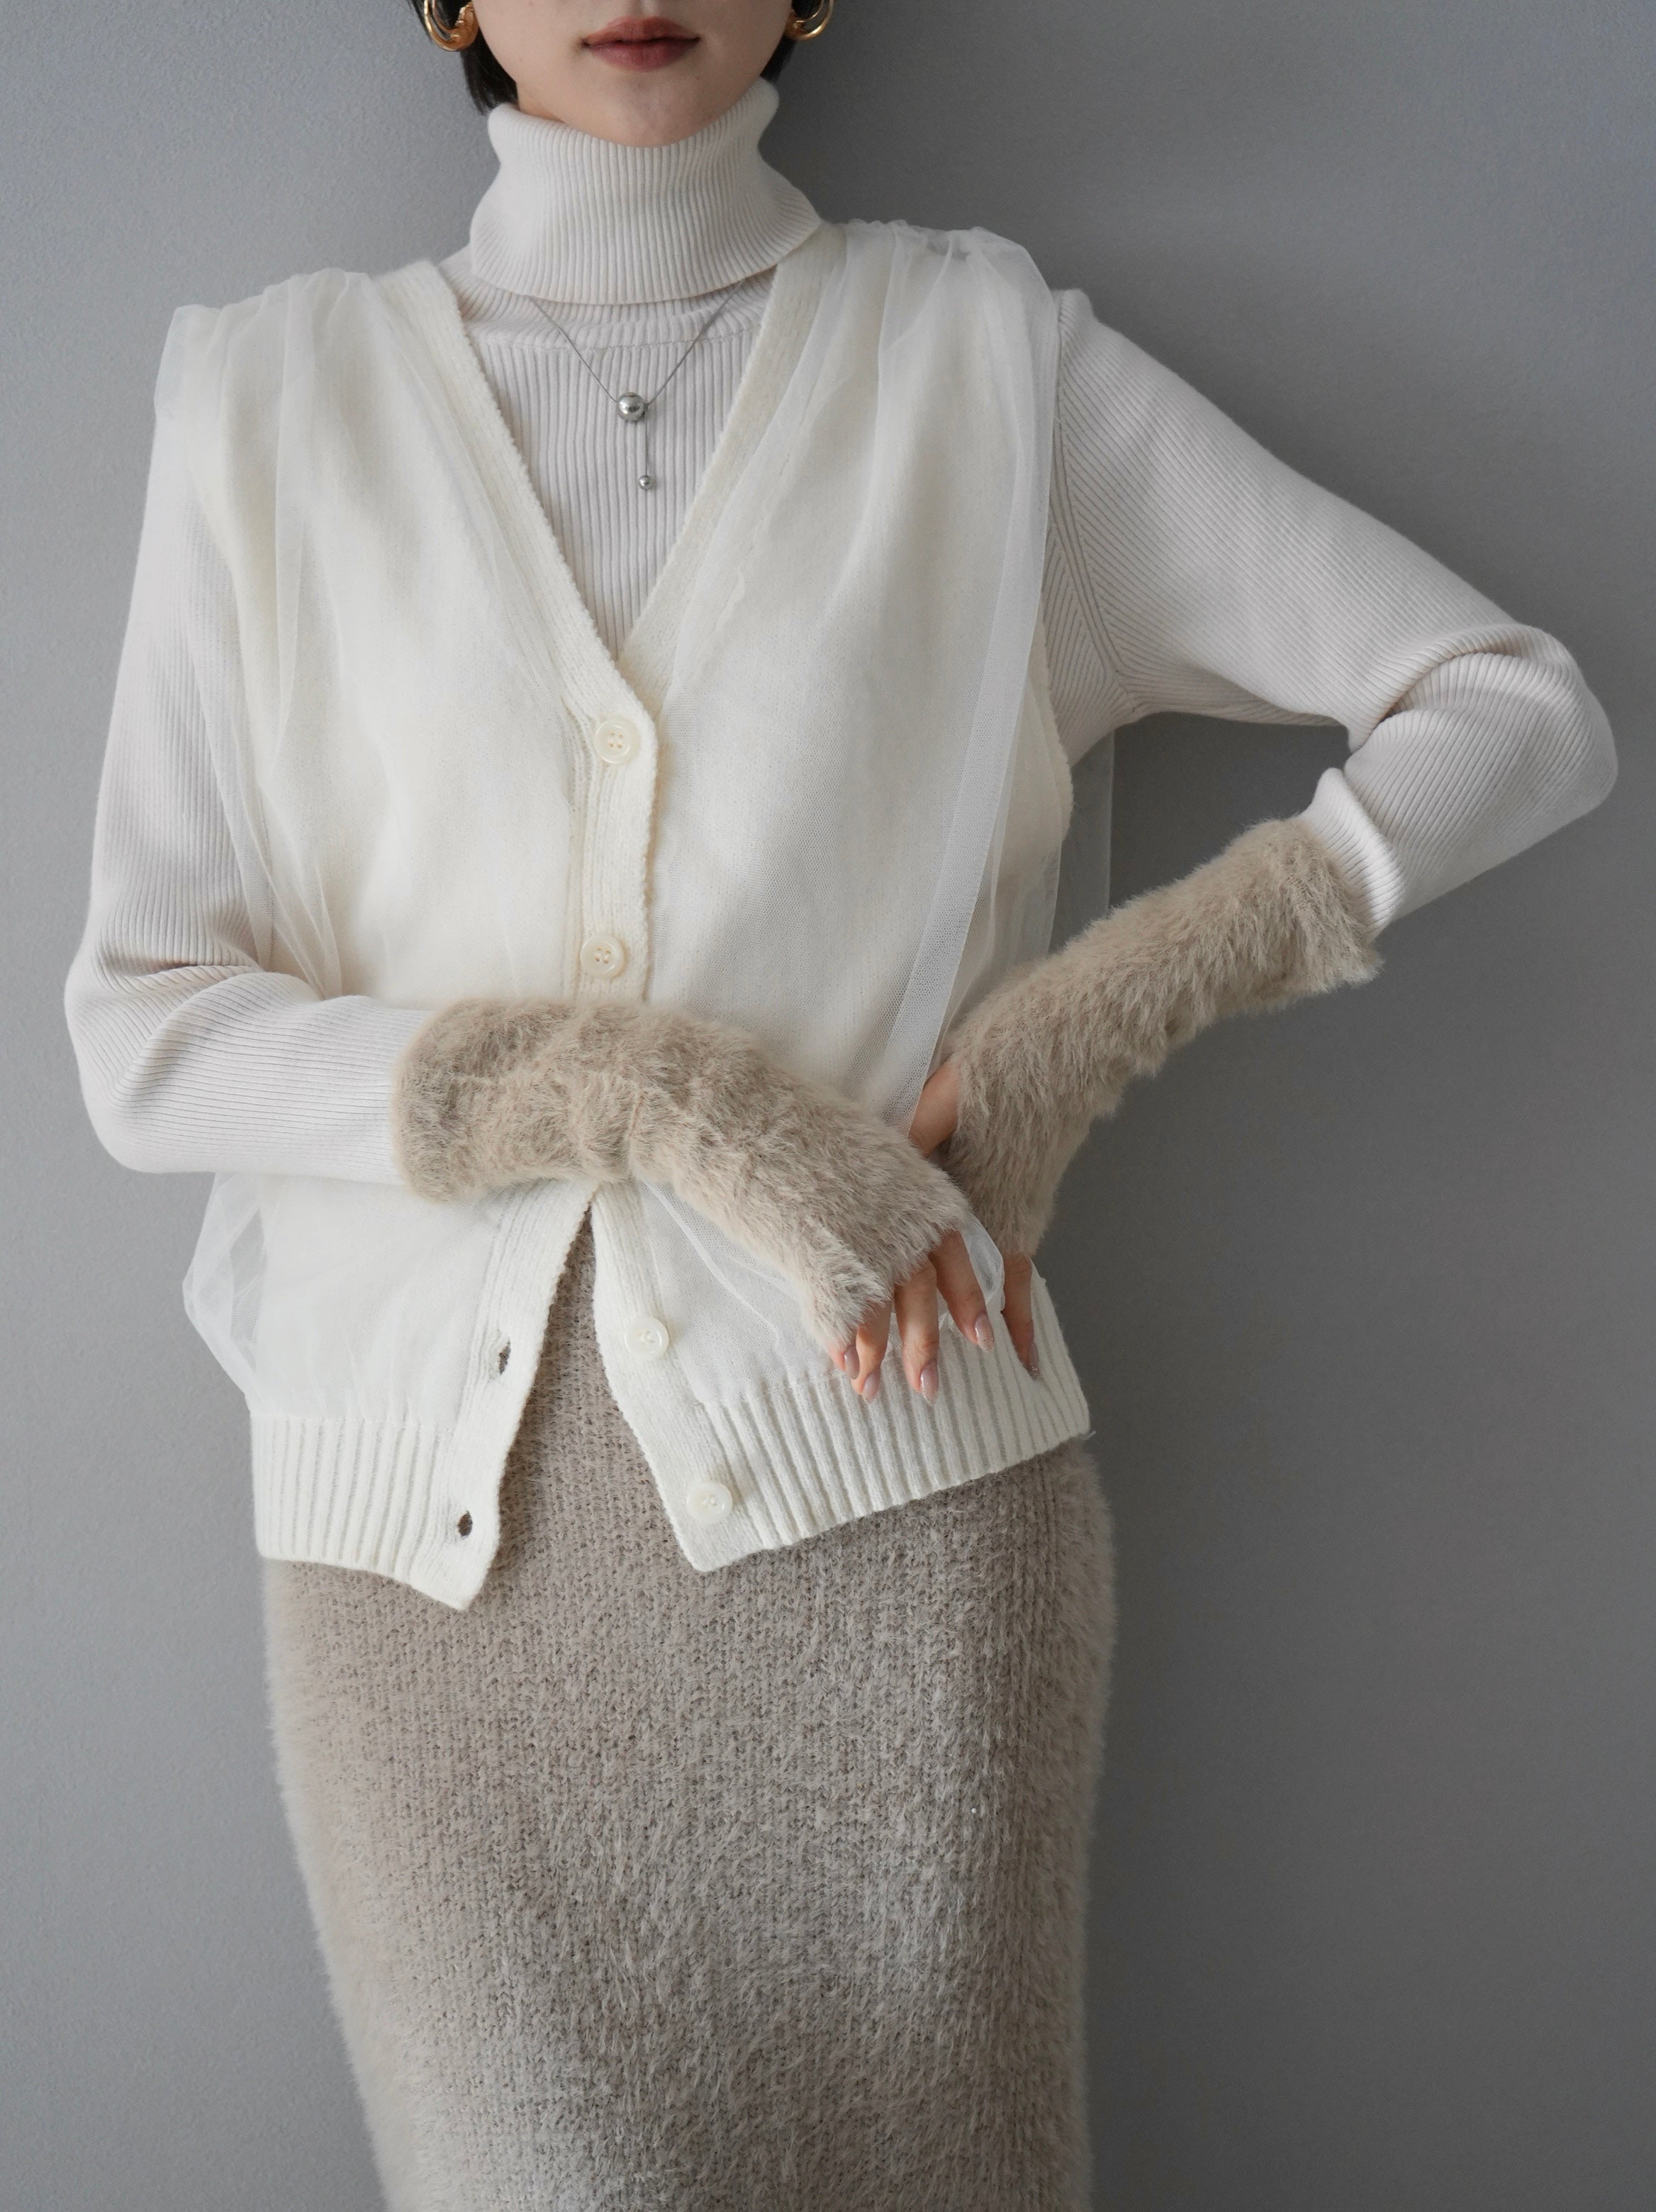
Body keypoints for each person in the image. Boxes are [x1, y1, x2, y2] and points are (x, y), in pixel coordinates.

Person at [62, 3, 1616, 2204]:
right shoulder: (268, 401)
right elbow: (145, 1027)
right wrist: (645, 1091)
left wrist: (1102, 1012)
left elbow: (1515, 710)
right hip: (425, 1581)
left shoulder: (982, 371)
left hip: (907, 1532)